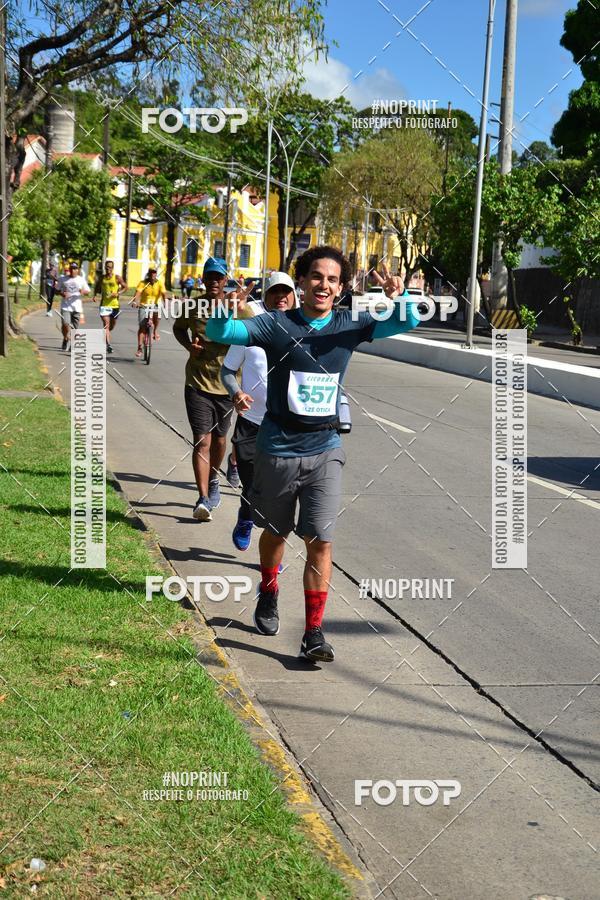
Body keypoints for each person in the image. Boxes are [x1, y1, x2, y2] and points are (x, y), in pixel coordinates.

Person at [206, 245, 420, 663]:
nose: (324, 285)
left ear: (341, 288)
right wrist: (222, 308)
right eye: (317, 276)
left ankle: (314, 633)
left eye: (333, 279)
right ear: (301, 280)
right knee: (276, 532)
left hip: (325, 447)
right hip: (278, 446)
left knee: (321, 539)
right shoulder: (275, 325)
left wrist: (402, 295)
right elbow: (221, 335)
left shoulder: (350, 324)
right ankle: (268, 590)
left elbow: (406, 321)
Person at [173, 256, 255, 522]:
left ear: (225, 280)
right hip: (196, 381)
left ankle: (214, 479)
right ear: (203, 279)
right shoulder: (193, 305)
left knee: (220, 440)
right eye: (209, 277)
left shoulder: (236, 306)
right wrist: (189, 347)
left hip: (227, 386)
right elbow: (178, 328)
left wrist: (241, 306)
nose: (213, 282)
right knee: (202, 440)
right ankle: (202, 498)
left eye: (218, 277)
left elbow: (254, 331)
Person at [220, 272, 297, 551]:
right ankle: (246, 514)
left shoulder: (304, 332)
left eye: (285, 292)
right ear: (265, 296)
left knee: (278, 494)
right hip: (252, 423)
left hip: (287, 426)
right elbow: (227, 370)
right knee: (254, 487)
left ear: (294, 297)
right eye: (274, 292)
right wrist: (236, 392)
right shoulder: (251, 329)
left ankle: (270, 553)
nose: (280, 298)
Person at [92, 260, 126, 354]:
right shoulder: (102, 278)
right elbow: (97, 287)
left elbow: (125, 287)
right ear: (105, 267)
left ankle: (105, 335)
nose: (108, 269)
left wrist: (118, 293)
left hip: (115, 305)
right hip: (104, 305)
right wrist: (95, 295)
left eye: (110, 267)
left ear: (112, 268)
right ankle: (108, 345)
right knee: (106, 325)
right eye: (107, 267)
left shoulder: (117, 277)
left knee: (111, 326)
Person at [131, 268, 166, 357]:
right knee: (142, 327)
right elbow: (138, 293)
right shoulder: (143, 283)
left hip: (155, 305)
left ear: (156, 274)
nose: (152, 275)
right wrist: (135, 301)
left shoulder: (159, 283)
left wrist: (165, 303)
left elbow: (163, 293)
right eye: (151, 273)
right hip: (144, 305)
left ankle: (154, 331)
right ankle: (139, 348)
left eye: (154, 273)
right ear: (148, 274)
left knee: (158, 316)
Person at [58, 262, 90, 351]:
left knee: (75, 328)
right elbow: (56, 290)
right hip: (66, 306)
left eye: (75, 269)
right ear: (70, 269)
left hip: (77, 307)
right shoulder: (63, 279)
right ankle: (65, 338)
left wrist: (82, 291)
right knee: (65, 324)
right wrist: (62, 293)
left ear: (78, 270)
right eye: (72, 268)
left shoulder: (81, 280)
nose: (73, 270)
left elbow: (88, 291)